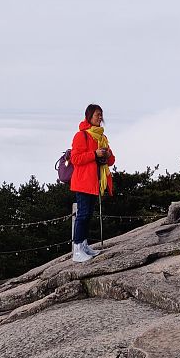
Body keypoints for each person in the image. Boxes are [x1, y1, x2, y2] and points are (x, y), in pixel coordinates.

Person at [69, 104, 115, 262]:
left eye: (101, 114)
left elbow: (111, 161)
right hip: (83, 182)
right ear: (89, 116)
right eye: (97, 114)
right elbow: (75, 159)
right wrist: (94, 154)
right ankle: (77, 250)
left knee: (88, 215)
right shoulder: (81, 135)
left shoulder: (102, 137)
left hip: (95, 182)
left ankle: (83, 245)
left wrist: (107, 155)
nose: (100, 117)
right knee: (82, 215)